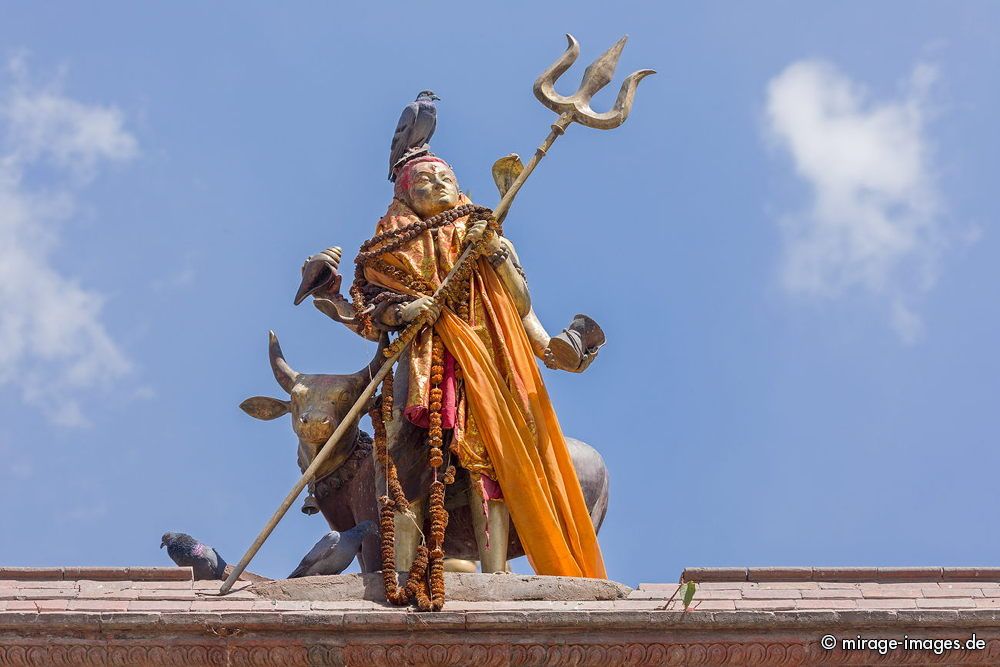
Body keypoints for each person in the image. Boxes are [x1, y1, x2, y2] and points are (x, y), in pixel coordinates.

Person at [306, 154, 605, 578]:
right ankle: (404, 569)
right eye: (424, 180)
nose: (438, 184)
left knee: (492, 462)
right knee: (397, 465)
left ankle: (497, 572)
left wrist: (496, 253)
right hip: (424, 370)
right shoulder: (384, 252)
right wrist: (401, 311)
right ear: (404, 196)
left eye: (445, 177)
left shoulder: (483, 231)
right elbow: (372, 321)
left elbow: (519, 305)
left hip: (491, 362)